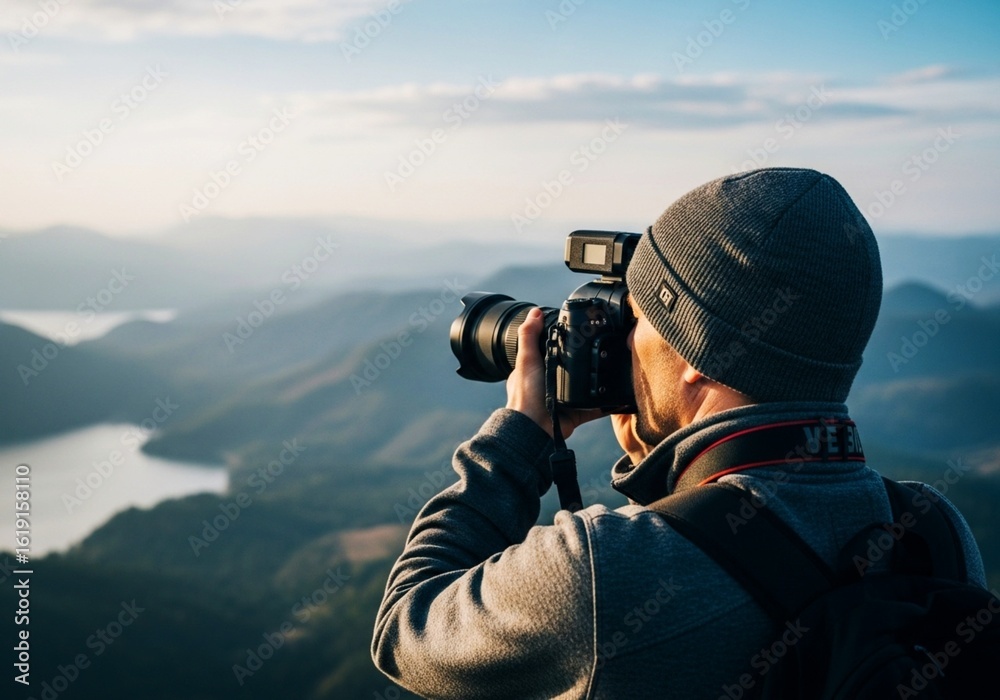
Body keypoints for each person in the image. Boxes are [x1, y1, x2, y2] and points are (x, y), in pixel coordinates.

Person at [371, 167, 987, 699]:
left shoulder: (602, 573)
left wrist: (519, 435)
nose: (619, 341)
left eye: (634, 317)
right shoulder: (934, 534)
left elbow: (405, 629)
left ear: (696, 352)